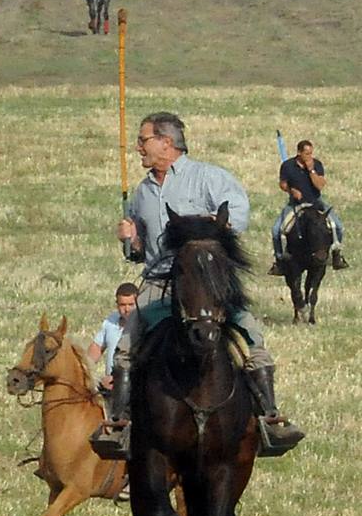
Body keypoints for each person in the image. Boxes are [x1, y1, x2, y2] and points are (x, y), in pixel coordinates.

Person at [96, 112, 302, 457]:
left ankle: (269, 417)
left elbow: (239, 213)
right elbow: (140, 253)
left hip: (207, 280)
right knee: (126, 348)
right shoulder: (142, 193)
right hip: (159, 282)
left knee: (250, 337)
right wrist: (130, 240)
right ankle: (120, 424)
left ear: (166, 142)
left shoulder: (209, 177)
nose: (138, 147)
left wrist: (209, 226)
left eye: (143, 140)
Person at [271, 139, 347, 272]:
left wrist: (311, 170)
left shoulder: (317, 165)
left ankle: (336, 255)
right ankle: (279, 260)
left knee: (338, 226)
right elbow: (282, 184)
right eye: (307, 154)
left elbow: (320, 185)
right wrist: (291, 191)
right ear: (299, 153)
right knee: (276, 230)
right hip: (296, 204)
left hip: (315, 203)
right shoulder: (287, 166)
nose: (309, 156)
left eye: (311, 153)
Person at [91, 281, 137, 385]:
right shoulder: (111, 320)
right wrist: (85, 369)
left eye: (131, 305)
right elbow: (97, 347)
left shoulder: (144, 325)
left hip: (132, 383)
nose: (127, 309)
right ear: (117, 304)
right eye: (122, 305)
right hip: (109, 384)